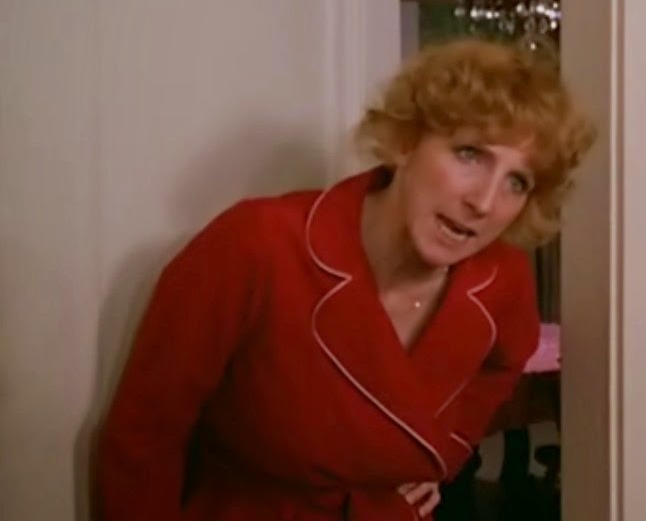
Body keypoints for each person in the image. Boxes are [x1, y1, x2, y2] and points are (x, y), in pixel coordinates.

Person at [98, 38, 595, 519]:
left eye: (517, 182)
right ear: (406, 141)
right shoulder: (257, 243)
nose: (484, 202)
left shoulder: (501, 277)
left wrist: (442, 454)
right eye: (469, 154)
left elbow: (501, 366)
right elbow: (144, 436)